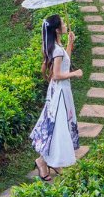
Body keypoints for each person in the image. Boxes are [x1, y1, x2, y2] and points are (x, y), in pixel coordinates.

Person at [30, 12, 81, 181]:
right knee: (57, 127)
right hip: (59, 92)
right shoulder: (56, 50)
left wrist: (70, 43)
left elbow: (63, 60)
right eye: (63, 23)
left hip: (59, 91)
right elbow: (57, 75)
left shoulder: (56, 48)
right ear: (58, 30)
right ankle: (42, 161)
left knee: (60, 126)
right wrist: (75, 74)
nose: (66, 25)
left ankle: (53, 161)